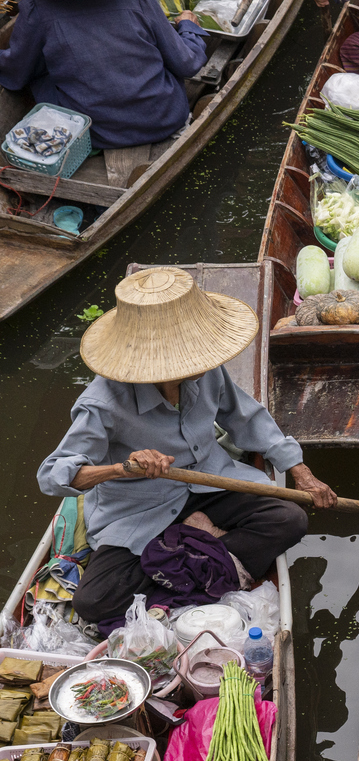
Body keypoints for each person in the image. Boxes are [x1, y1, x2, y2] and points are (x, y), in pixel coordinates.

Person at [39, 267, 337, 632]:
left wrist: (300, 471)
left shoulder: (205, 372)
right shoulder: (103, 402)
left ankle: (187, 546)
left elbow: (245, 418)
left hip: (210, 483)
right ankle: (204, 548)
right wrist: (122, 468)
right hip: (140, 510)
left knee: (290, 519)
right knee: (93, 601)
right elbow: (53, 475)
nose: (205, 363)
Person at [0, 0, 204, 150]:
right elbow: (186, 63)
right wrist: (188, 28)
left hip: (97, 133)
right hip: (164, 118)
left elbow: (15, 73)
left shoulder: (37, 6)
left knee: (39, 69)